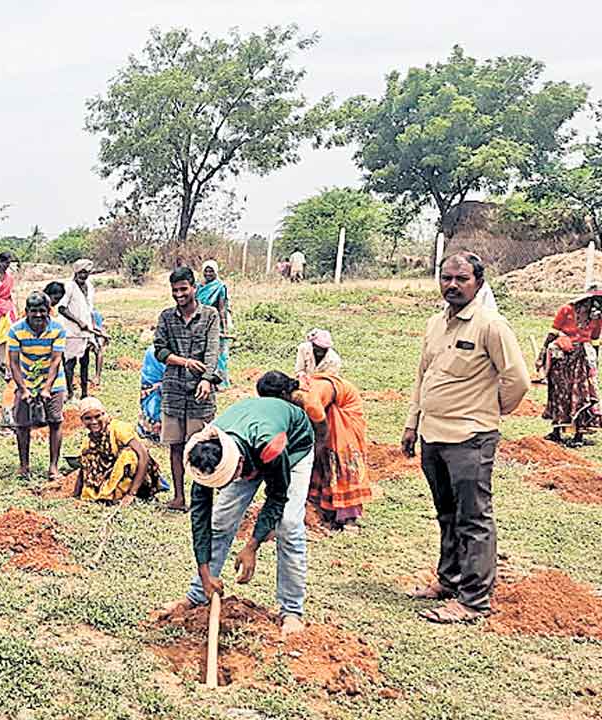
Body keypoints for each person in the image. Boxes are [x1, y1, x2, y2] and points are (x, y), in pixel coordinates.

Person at [402, 252, 530, 624]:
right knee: (446, 513)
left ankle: (473, 600)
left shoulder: (491, 325)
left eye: (461, 279)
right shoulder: (434, 324)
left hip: (471, 437)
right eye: (446, 278)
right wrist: (412, 423)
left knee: (473, 518)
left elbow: (517, 379)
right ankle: (449, 579)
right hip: (432, 435)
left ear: (478, 282)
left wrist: (488, 411)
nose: (452, 285)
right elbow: (422, 376)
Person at [180, 396, 316, 638]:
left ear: (239, 464)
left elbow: (277, 496)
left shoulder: (271, 446)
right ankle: (198, 594)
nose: (225, 487)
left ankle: (292, 612)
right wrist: (205, 572)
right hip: (250, 441)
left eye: (229, 480)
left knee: (289, 525)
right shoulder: (205, 453)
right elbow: (200, 517)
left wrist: (252, 545)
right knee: (220, 521)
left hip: (292, 446)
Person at [258, 370, 371, 532]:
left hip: (343, 406)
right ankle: (325, 511)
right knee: (321, 459)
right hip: (326, 406)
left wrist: (310, 456)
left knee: (339, 457)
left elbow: (321, 433)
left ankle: (348, 518)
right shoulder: (291, 396)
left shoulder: (309, 401)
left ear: (283, 394)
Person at [154, 266, 221, 513]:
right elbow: (160, 350)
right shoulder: (166, 317)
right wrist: (184, 362)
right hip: (173, 390)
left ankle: (202, 500)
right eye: (175, 290)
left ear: (194, 288)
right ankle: (179, 497)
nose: (179, 294)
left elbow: (213, 351)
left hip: (200, 392)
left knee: (202, 446)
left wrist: (206, 379)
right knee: (176, 445)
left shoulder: (210, 316)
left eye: (183, 289)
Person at [7, 291, 68, 480]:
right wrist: (24, 389)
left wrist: (47, 388)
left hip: (53, 380)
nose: (38, 315)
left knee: (55, 422)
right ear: (27, 312)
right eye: (34, 311)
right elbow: (14, 363)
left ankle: (53, 467)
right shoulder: (16, 330)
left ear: (48, 310)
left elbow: (56, 360)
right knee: (22, 424)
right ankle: (24, 466)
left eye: (42, 311)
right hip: (25, 380)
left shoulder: (58, 329)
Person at [541, 289, 602, 446]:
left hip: (582, 360)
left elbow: (595, 341)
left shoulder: (597, 318)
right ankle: (556, 432)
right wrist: (542, 354)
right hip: (562, 356)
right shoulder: (566, 310)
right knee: (559, 392)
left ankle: (578, 436)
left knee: (581, 395)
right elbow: (552, 334)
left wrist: (593, 364)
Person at [74, 397, 163, 504]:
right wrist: (77, 493)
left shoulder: (119, 428)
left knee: (129, 455)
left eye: (98, 416)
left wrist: (131, 494)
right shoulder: (88, 441)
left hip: (138, 475)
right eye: (88, 418)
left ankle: (133, 492)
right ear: (82, 420)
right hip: (112, 474)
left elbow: (143, 455)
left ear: (104, 414)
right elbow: (84, 467)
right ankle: (109, 493)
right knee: (88, 455)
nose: (94, 422)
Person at [57, 259, 104, 400]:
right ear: (76, 272)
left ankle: (84, 392)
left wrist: (93, 325)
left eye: (87, 273)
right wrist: (78, 322)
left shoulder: (89, 287)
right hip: (71, 331)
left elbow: (90, 308)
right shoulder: (69, 287)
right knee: (70, 363)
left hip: (86, 332)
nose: (84, 276)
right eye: (82, 273)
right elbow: (61, 308)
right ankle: (70, 392)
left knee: (85, 361)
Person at [196, 260, 231, 386]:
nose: (208, 273)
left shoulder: (220, 287)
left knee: (218, 352)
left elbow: (222, 308)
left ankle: (220, 382)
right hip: (200, 321)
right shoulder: (198, 286)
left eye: (211, 271)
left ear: (216, 272)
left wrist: (224, 328)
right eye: (206, 271)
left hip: (215, 322)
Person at [137, 329, 163, 441]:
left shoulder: (151, 350)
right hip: (157, 389)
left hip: (149, 389)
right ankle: (157, 430)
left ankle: (149, 428)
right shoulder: (158, 352)